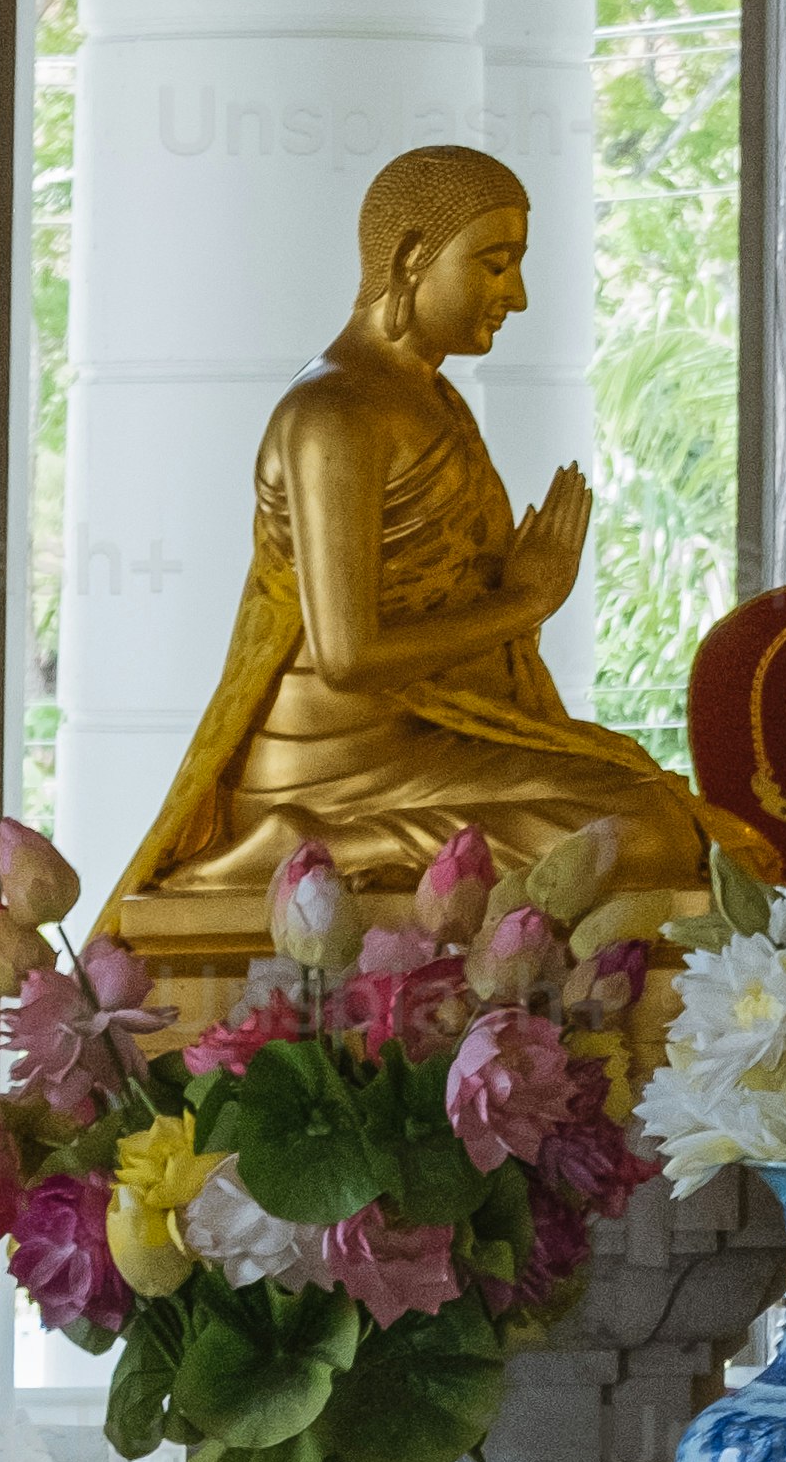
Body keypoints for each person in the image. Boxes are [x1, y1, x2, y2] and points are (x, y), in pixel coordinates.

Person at [108, 145, 751, 956]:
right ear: (414, 258)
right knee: (644, 833)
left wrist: (507, 598)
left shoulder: (425, 394)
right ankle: (316, 846)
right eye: (493, 264)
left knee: (653, 813)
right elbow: (347, 654)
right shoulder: (334, 412)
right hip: (330, 770)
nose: (515, 296)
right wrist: (522, 603)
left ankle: (351, 845)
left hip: (417, 748)